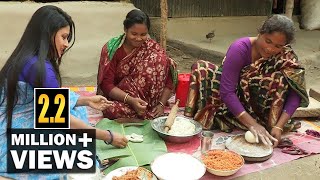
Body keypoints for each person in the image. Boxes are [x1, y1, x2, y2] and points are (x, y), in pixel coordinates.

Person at [0, 5, 127, 179]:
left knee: (76, 110)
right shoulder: (40, 68)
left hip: (13, 114)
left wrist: (85, 101)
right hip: (11, 130)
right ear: (47, 35)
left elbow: (44, 99)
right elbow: (59, 120)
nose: (67, 44)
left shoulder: (27, 55)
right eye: (64, 37)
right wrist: (108, 136)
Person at [184, 15, 309, 147]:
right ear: (260, 33)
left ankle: (268, 123)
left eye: (278, 46)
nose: (270, 49)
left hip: (260, 103)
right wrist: (253, 125)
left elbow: (296, 92)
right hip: (234, 99)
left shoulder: (285, 56)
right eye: (268, 41)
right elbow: (227, 92)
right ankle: (248, 120)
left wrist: (279, 126)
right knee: (201, 68)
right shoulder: (240, 48)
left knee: (279, 79)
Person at [97, 9, 177, 122]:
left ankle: (143, 112)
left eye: (143, 34)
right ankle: (142, 115)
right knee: (109, 109)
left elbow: (168, 79)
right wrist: (132, 101)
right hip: (122, 98)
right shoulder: (113, 49)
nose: (138, 38)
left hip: (151, 103)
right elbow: (106, 84)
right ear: (125, 30)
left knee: (160, 59)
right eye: (134, 34)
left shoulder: (153, 49)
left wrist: (161, 104)